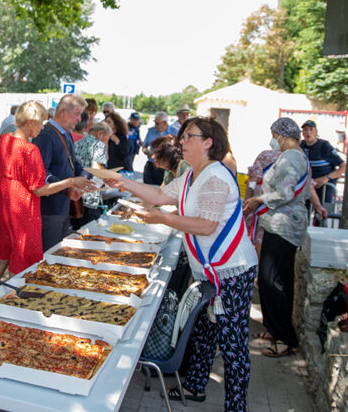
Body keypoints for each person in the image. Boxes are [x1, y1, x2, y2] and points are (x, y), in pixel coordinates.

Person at [104, 117, 257, 410]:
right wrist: (124, 182)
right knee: (203, 330)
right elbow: (161, 195)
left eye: (188, 137)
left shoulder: (214, 177)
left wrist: (162, 218)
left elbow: (206, 225)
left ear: (208, 142)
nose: (181, 142)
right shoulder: (191, 176)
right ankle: (196, 387)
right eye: (182, 137)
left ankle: (236, 406)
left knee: (233, 345)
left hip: (231, 271)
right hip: (211, 270)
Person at [0, 101, 93, 294]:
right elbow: (39, 189)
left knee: (2, 258)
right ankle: (10, 304)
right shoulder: (29, 150)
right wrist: (70, 182)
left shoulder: (3, 140)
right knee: (20, 264)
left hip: (4, 206)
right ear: (30, 122)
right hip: (22, 210)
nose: (43, 127)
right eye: (41, 122)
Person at [244, 118, 325, 358]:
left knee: (273, 281)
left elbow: (284, 193)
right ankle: (273, 329)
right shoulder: (297, 155)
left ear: (282, 135)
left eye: (274, 135)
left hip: (284, 226)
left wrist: (259, 199)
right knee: (274, 279)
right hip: (280, 224)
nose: (273, 140)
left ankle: (285, 338)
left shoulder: (291, 157)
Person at [33, 94, 91, 251]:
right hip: (49, 209)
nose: (79, 120)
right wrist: (69, 187)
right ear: (63, 111)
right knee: (49, 254)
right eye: (77, 114)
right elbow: (41, 173)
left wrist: (86, 177)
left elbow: (74, 164)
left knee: (58, 253)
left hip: (62, 206)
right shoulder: (46, 134)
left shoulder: (65, 133)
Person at [300, 120, 346, 212]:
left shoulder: (324, 146)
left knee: (322, 214)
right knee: (303, 214)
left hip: (325, 187)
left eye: (311, 129)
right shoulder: (300, 145)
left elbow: (343, 166)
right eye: (305, 130)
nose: (308, 132)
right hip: (307, 187)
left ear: (316, 132)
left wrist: (326, 178)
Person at [74, 122, 111, 229]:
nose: (106, 143)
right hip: (91, 197)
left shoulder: (77, 143)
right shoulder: (98, 145)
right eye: (106, 139)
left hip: (76, 197)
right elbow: (99, 169)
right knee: (90, 234)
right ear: (100, 134)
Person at [141, 111, 176, 185]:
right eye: (155, 123)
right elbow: (144, 146)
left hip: (166, 167)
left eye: (157, 123)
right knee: (147, 189)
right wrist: (147, 152)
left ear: (165, 123)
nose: (155, 125)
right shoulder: (151, 131)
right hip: (151, 164)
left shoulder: (174, 132)